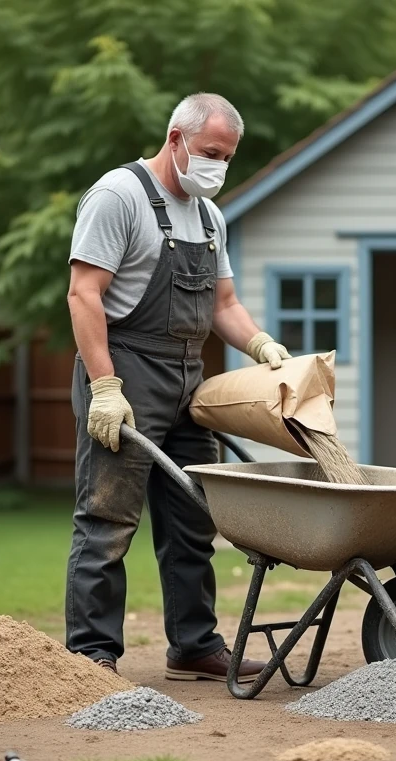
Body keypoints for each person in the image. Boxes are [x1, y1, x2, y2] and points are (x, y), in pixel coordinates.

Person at [64, 92, 292, 682]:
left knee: (195, 519)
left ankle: (193, 646)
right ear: (176, 139)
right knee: (108, 519)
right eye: (210, 152)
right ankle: (91, 656)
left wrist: (262, 345)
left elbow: (224, 304)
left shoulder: (209, 215)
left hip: (190, 376)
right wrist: (105, 386)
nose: (217, 166)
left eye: (227, 157)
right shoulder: (119, 196)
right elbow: (84, 294)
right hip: (125, 370)